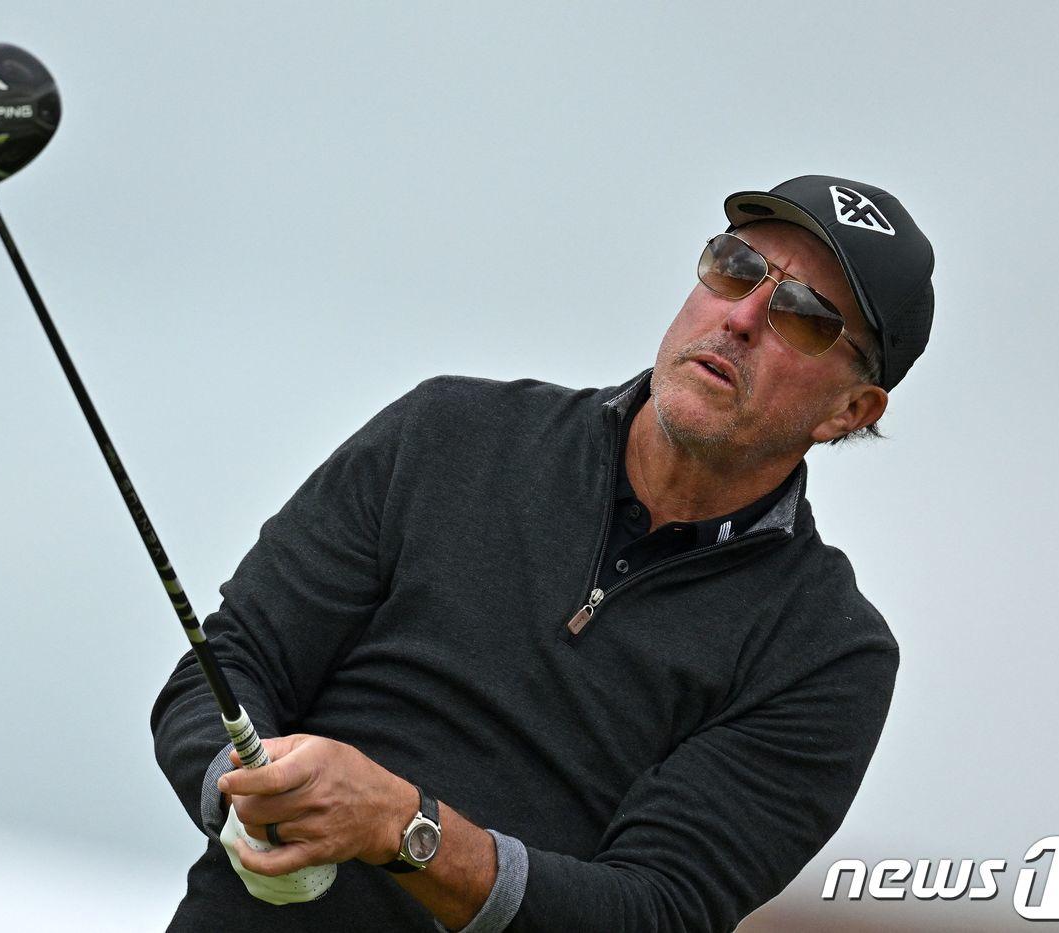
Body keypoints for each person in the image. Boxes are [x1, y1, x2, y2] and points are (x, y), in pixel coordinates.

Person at [151, 174, 934, 932]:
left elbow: (657, 909)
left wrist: (404, 827)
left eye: (804, 315)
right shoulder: (447, 432)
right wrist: (242, 793)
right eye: (736, 267)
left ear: (849, 409)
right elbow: (232, 662)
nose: (742, 316)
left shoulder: (827, 651)